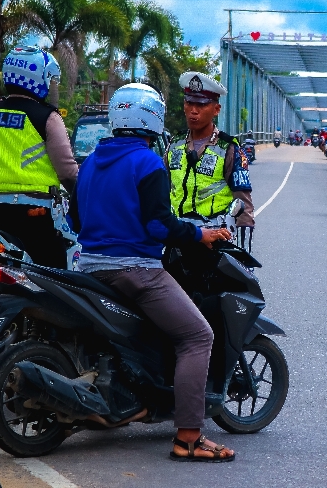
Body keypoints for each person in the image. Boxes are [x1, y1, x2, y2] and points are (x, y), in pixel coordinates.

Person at [71, 83, 236, 463]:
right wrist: (200, 233)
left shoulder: (91, 161)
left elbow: (77, 220)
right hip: (137, 271)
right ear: (153, 119)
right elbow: (160, 227)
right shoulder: (149, 162)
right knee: (197, 336)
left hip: (90, 268)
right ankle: (190, 437)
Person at [0, 46, 78, 268]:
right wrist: (82, 197)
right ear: (39, 78)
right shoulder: (47, 118)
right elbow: (67, 172)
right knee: (55, 278)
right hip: (35, 214)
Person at [167, 71, 255, 249]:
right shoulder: (174, 144)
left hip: (215, 238)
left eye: (201, 104)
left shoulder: (228, 148)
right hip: (177, 235)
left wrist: (244, 254)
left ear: (216, 109)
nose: (193, 110)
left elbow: (244, 205)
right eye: (189, 102)